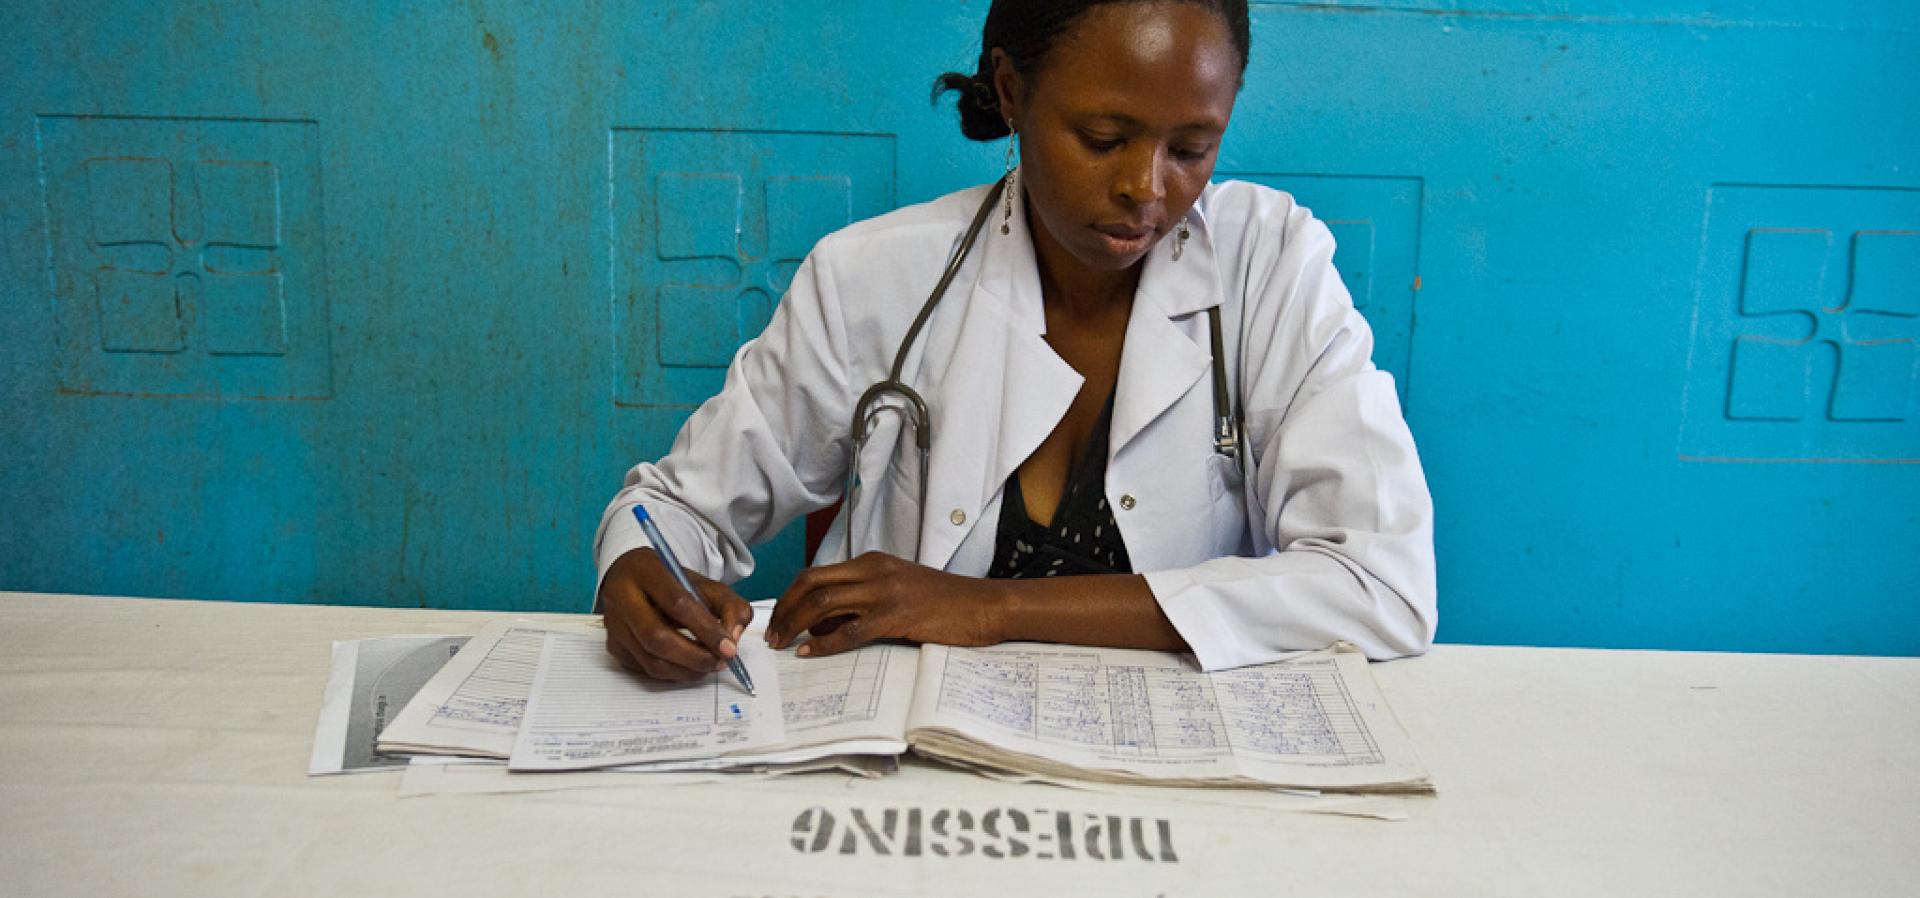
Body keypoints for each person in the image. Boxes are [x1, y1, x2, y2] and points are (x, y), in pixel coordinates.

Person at [593, 0, 1436, 683]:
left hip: (1170, 777)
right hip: (902, 765)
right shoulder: (872, 277)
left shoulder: (1270, 265)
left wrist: (987, 609)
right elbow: (673, 510)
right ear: (1011, 89)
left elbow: (1379, 583)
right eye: (1103, 140)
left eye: (1191, 148)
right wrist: (635, 570)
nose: (1146, 189)